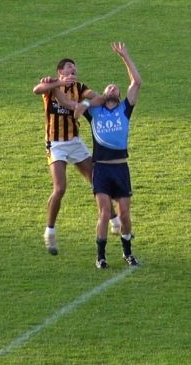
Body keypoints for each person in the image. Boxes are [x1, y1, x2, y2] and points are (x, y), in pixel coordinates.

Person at [54, 42, 142, 269]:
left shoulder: (125, 109)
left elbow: (136, 82)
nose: (112, 88)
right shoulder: (94, 111)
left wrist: (125, 56)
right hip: (101, 168)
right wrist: (55, 85)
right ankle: (100, 257)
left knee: (124, 214)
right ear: (103, 94)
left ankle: (127, 253)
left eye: (115, 88)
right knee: (104, 213)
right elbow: (66, 102)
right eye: (108, 87)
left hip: (121, 168)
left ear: (119, 95)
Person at [33, 59, 120, 255]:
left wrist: (87, 103)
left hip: (74, 141)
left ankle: (115, 220)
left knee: (97, 181)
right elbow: (36, 90)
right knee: (60, 188)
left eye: (74, 67)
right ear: (60, 71)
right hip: (56, 144)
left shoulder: (79, 87)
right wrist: (58, 83)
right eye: (69, 67)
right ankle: (50, 231)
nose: (73, 69)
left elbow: (97, 98)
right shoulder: (52, 86)